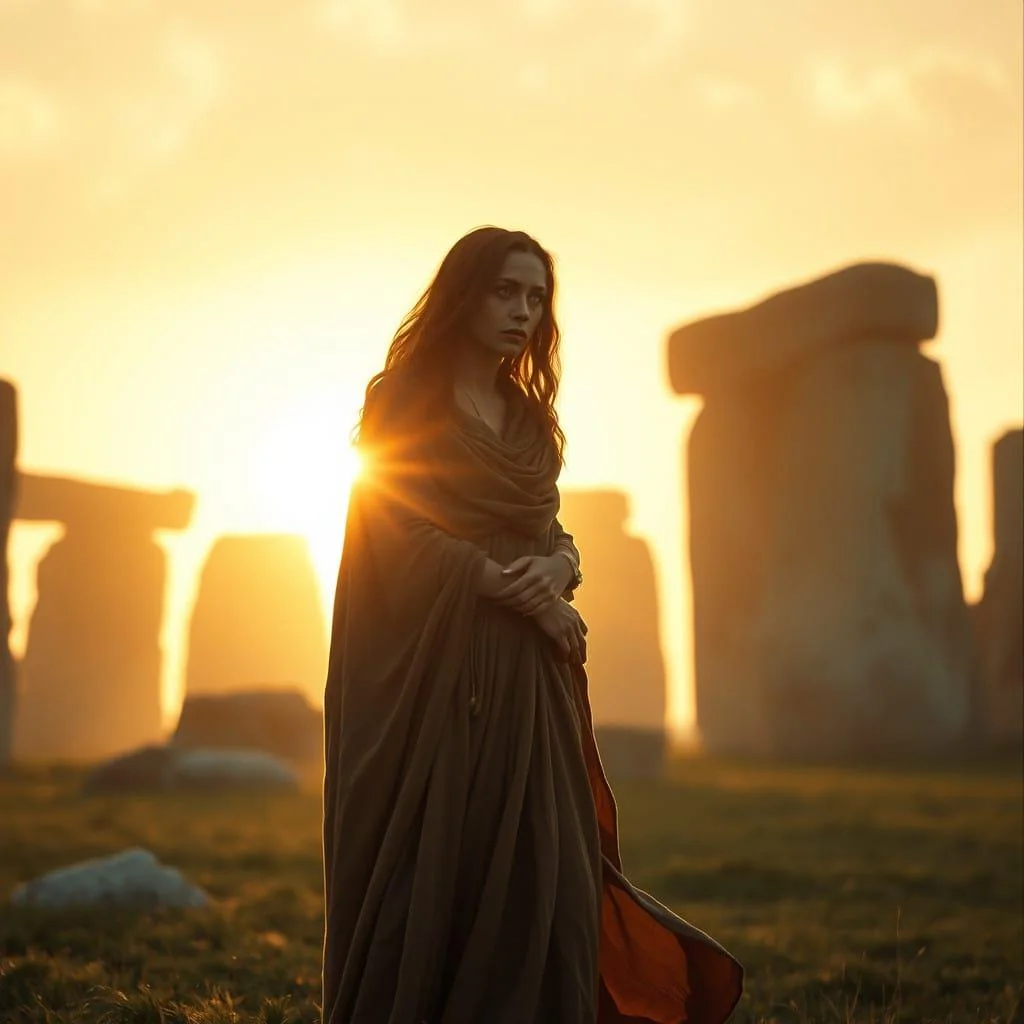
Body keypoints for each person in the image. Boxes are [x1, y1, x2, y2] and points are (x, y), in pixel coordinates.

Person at [321, 226, 743, 1023]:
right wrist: (521, 592)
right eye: (503, 291)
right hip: (440, 675)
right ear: (464, 295)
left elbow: (548, 528)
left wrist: (561, 568)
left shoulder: (529, 417)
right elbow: (394, 526)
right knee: (444, 868)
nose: (522, 311)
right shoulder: (402, 400)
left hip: (531, 678)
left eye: (536, 296)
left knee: (551, 871)